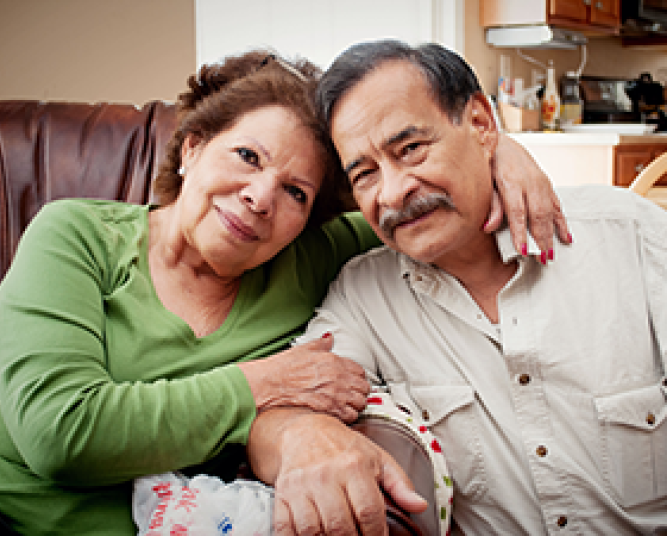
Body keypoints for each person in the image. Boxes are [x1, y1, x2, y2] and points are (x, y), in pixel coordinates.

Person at [0, 49, 567, 536]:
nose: (261, 197)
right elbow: (60, 433)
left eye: (296, 191)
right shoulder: (75, 235)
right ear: (191, 150)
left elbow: (419, 203)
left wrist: (496, 154)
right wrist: (262, 385)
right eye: (247, 156)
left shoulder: (305, 254)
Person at [247, 40, 667, 535]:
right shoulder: (365, 295)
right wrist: (304, 434)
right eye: (364, 174)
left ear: (482, 125)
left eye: (411, 150)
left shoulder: (630, 238)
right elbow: (284, 403)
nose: (393, 191)